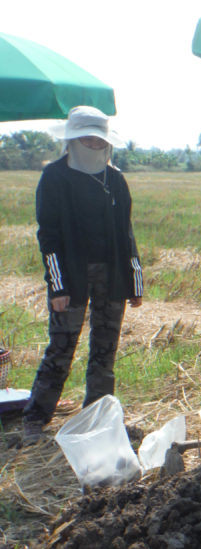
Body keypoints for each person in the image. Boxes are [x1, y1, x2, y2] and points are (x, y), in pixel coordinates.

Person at [22, 106, 144, 445]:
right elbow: (49, 238)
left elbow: (127, 234)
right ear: (72, 139)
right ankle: (35, 419)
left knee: (105, 351)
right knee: (61, 348)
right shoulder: (55, 178)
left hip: (112, 277)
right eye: (86, 137)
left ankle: (98, 418)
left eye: (98, 137)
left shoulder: (115, 179)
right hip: (71, 278)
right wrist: (57, 286)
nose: (92, 142)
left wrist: (133, 281)